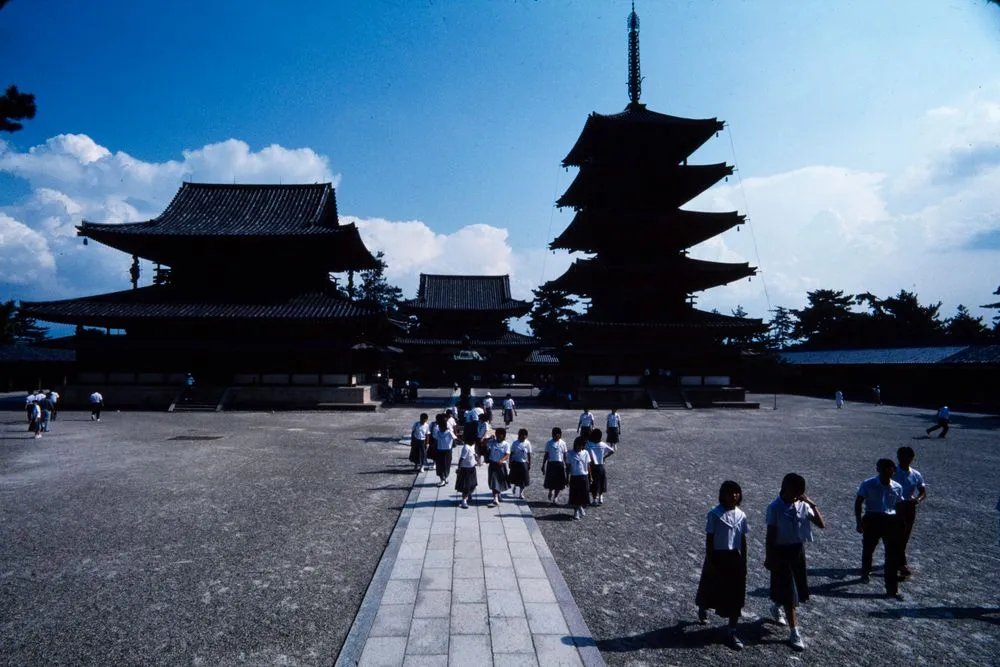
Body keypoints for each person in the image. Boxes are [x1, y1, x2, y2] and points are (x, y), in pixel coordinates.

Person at [765, 473, 826, 652]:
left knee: (794, 588)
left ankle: (776, 606)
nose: (796, 495)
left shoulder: (802, 505)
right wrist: (769, 556)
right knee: (789, 591)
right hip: (780, 552)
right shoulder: (774, 507)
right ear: (785, 488)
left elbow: (821, 524)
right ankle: (794, 632)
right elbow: (770, 534)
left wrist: (811, 503)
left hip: (797, 551)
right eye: (794, 490)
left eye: (800, 491)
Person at [695, 480, 749, 651]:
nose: (733, 495)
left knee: (735, 595)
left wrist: (745, 561)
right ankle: (703, 607)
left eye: (736, 492)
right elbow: (709, 538)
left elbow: (743, 539)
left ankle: (731, 631)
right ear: (722, 495)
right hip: (717, 557)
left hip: (734, 558)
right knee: (710, 587)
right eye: (730, 492)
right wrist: (710, 561)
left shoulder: (741, 515)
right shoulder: (715, 514)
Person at [854, 459, 905, 599]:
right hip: (872, 519)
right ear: (879, 470)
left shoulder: (897, 487)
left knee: (891, 555)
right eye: (884, 469)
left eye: (890, 469)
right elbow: (859, 502)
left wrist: (900, 524)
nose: (887, 472)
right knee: (868, 549)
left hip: (890, 521)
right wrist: (859, 522)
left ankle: (891, 588)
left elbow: (899, 506)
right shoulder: (868, 484)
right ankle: (865, 572)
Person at [893, 446, 927, 580]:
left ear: (912, 458)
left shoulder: (916, 474)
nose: (904, 460)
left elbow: (923, 491)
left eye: (907, 458)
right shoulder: (893, 471)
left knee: (905, 535)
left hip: (909, 507)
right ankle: (902, 564)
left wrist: (917, 500)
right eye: (901, 457)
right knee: (898, 535)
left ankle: (897, 559)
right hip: (895, 507)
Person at [566, 436, 593, 520]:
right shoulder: (570, 454)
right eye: (578, 445)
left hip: (584, 476)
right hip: (574, 477)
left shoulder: (585, 453)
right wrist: (567, 478)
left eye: (582, 446)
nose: (580, 447)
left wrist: (590, 476)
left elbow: (588, 465)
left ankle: (580, 507)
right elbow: (568, 467)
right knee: (575, 496)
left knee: (583, 495)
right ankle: (576, 511)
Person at [586, 429, 615, 506]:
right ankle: (601, 496)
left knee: (593, 483)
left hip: (592, 466)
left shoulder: (588, 445)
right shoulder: (602, 444)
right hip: (601, 466)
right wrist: (604, 457)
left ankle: (594, 499)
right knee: (602, 481)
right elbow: (612, 451)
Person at [542, 427, 569, 505]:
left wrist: (566, 464)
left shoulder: (563, 443)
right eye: (555, 435)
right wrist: (543, 465)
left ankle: (556, 496)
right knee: (551, 481)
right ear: (552, 435)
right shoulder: (549, 443)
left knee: (559, 482)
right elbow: (546, 454)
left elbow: (565, 454)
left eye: (558, 435)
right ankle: (550, 491)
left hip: (560, 464)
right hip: (551, 464)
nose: (557, 437)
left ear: (560, 435)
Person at [486, 427, 511, 508]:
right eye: (496, 434)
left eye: (499, 434)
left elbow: (507, 455)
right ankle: (495, 498)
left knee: (500, 481)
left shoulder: (506, 444)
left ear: (503, 435)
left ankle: (498, 494)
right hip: (493, 464)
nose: (497, 436)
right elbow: (483, 444)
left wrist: (501, 460)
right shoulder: (492, 442)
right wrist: (489, 438)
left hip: (501, 465)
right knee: (493, 482)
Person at [433, 413, 457, 487]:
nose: (440, 428)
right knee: (440, 466)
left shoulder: (449, 432)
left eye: (441, 427)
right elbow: (436, 439)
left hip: (447, 451)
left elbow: (455, 438)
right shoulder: (437, 431)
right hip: (439, 450)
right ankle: (442, 479)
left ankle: (445, 477)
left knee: (446, 465)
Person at [454, 433, 478, 509]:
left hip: (472, 468)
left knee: (472, 484)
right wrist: (459, 468)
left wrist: (476, 459)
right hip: (465, 469)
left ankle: (469, 495)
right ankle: (464, 501)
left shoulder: (472, 446)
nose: (475, 442)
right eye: (474, 441)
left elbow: (473, 455)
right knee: (466, 486)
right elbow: (462, 459)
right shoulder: (466, 447)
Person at [508, 428, 532, 499]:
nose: (523, 437)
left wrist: (529, 463)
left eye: (525, 436)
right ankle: (515, 487)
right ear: (519, 436)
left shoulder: (527, 443)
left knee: (524, 479)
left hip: (524, 463)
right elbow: (511, 453)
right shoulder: (515, 443)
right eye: (522, 436)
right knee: (515, 478)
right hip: (516, 463)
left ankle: (521, 493)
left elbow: (529, 454)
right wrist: (510, 462)